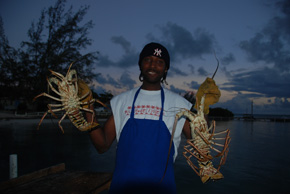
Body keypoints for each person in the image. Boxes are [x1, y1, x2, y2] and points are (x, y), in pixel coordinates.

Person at [85, 42, 192, 194]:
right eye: (148, 60)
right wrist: (87, 110)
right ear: (140, 64)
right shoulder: (121, 101)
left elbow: (198, 141)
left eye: (160, 62)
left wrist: (205, 108)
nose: (153, 66)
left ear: (166, 68)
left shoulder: (180, 105)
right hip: (122, 188)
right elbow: (102, 146)